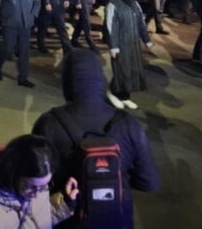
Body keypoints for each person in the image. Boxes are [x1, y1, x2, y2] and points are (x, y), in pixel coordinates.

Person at [32, 49, 159, 228]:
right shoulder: (129, 124)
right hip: (116, 219)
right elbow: (149, 182)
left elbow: (33, 180)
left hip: (68, 219)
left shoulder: (49, 123)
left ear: (67, 82)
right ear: (101, 80)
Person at [0, 134, 77, 229]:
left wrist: (66, 202)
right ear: (12, 173)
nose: (36, 195)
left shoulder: (37, 187)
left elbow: (36, 219)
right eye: (30, 186)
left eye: (44, 186)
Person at [105, 0, 153, 110]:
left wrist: (146, 39)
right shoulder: (113, 5)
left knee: (132, 69)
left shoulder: (134, 4)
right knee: (122, 70)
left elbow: (141, 24)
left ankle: (125, 96)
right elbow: (111, 28)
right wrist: (113, 46)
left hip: (133, 43)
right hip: (121, 43)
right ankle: (115, 93)